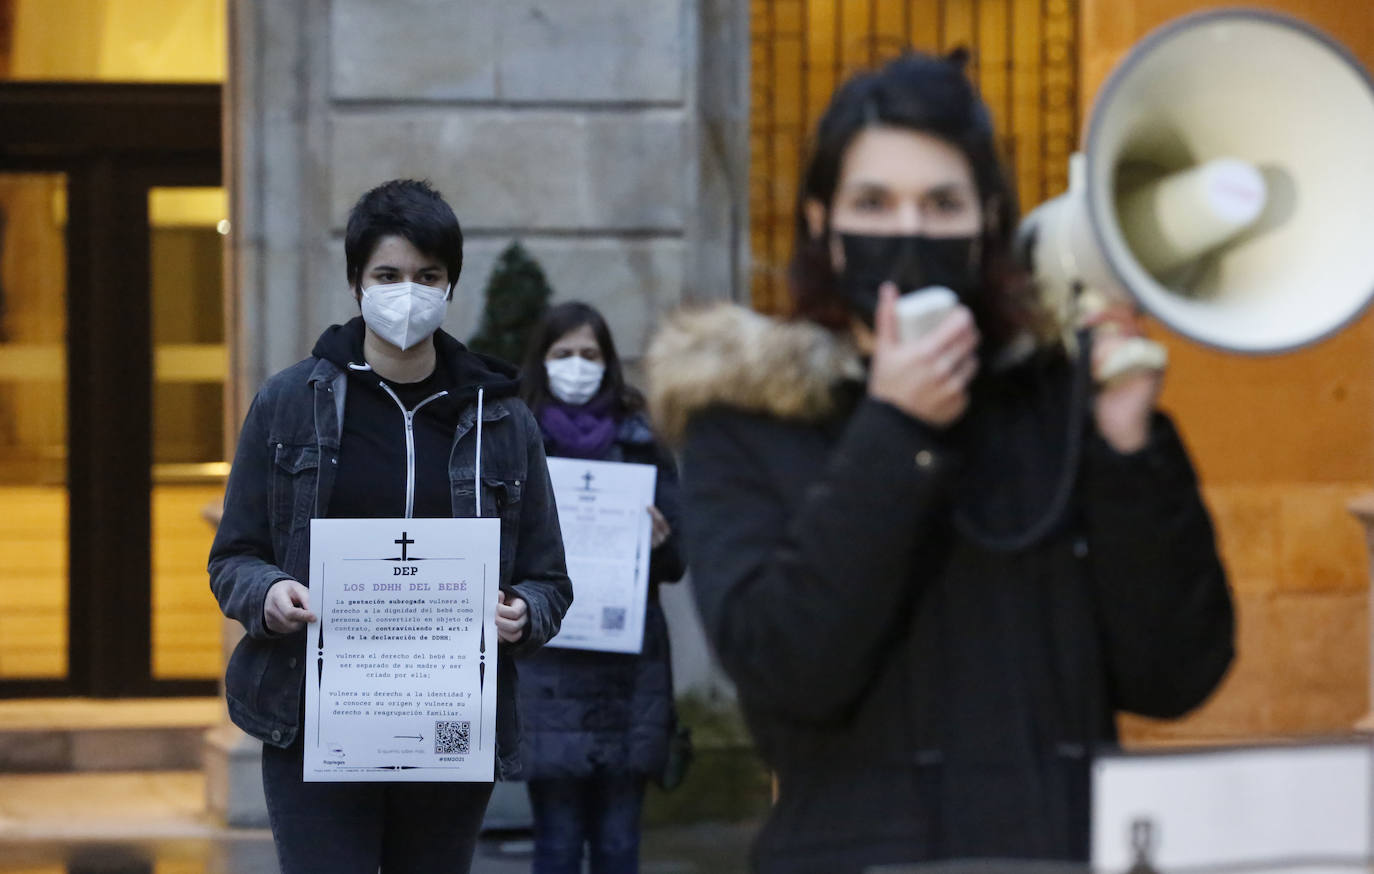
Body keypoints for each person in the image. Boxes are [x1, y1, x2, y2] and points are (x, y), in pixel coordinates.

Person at [646, 51, 1234, 871]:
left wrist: (1128, 446)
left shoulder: (1051, 406)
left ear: (989, 219)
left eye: (942, 203)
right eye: (874, 203)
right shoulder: (748, 421)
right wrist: (896, 431)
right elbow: (786, 668)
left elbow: (1176, 672)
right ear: (822, 221)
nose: (910, 231)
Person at [208, 179, 573, 874]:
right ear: (356, 283)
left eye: (427, 276)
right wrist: (270, 595)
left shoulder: (501, 419)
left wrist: (523, 613)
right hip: (315, 719)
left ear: (450, 286)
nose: (408, 293)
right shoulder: (290, 404)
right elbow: (235, 556)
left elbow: (549, 576)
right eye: (388, 275)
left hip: (446, 725)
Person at [515, 301, 687, 874]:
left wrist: (661, 543)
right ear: (542, 362)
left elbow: (679, 562)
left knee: (618, 846)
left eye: (589, 354)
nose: (577, 365)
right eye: (563, 354)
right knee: (557, 844)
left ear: (609, 362)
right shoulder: (518, 441)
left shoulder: (643, 439)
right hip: (550, 670)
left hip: (627, 673)